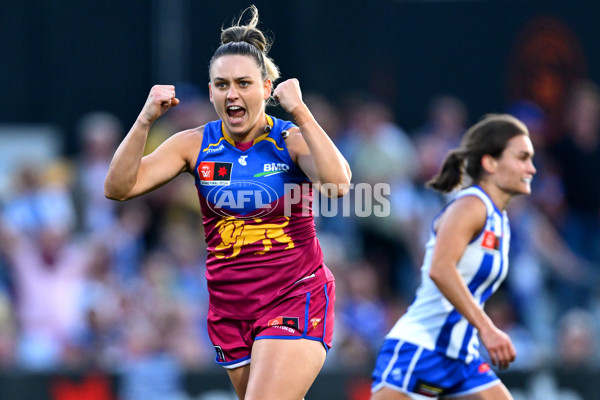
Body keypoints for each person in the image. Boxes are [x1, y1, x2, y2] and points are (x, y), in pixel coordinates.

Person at [104, 5, 351, 400]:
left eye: (243, 83)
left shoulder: (289, 140)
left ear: (267, 89)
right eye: (221, 85)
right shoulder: (194, 144)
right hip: (229, 309)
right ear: (210, 92)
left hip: (294, 294)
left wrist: (302, 111)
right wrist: (145, 118)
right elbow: (118, 187)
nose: (232, 94)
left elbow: (338, 185)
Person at [370, 114, 536, 400]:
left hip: (461, 355)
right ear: (490, 163)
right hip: (422, 348)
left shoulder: (500, 219)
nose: (531, 168)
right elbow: (440, 269)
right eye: (522, 158)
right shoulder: (471, 205)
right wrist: (488, 328)